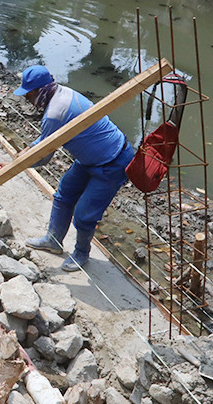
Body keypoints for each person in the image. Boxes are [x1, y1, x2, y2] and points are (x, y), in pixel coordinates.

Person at [15, 65, 136, 272]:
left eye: (29, 94)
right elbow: (44, 142)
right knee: (64, 194)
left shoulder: (54, 113)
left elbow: (44, 157)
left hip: (113, 161)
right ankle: (53, 240)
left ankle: (81, 253)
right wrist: (26, 151)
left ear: (41, 90)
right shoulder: (63, 92)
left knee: (84, 214)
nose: (27, 99)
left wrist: (16, 166)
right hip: (89, 158)